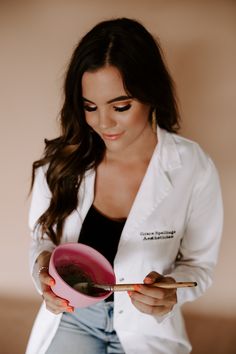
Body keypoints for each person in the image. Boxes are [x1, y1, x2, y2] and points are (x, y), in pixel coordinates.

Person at [26, 18, 223, 354]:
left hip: (147, 326)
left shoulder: (193, 167)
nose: (104, 123)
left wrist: (171, 290)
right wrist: (43, 270)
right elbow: (41, 239)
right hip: (73, 316)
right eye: (90, 107)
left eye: (121, 106)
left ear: (151, 96)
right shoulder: (62, 160)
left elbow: (200, 266)